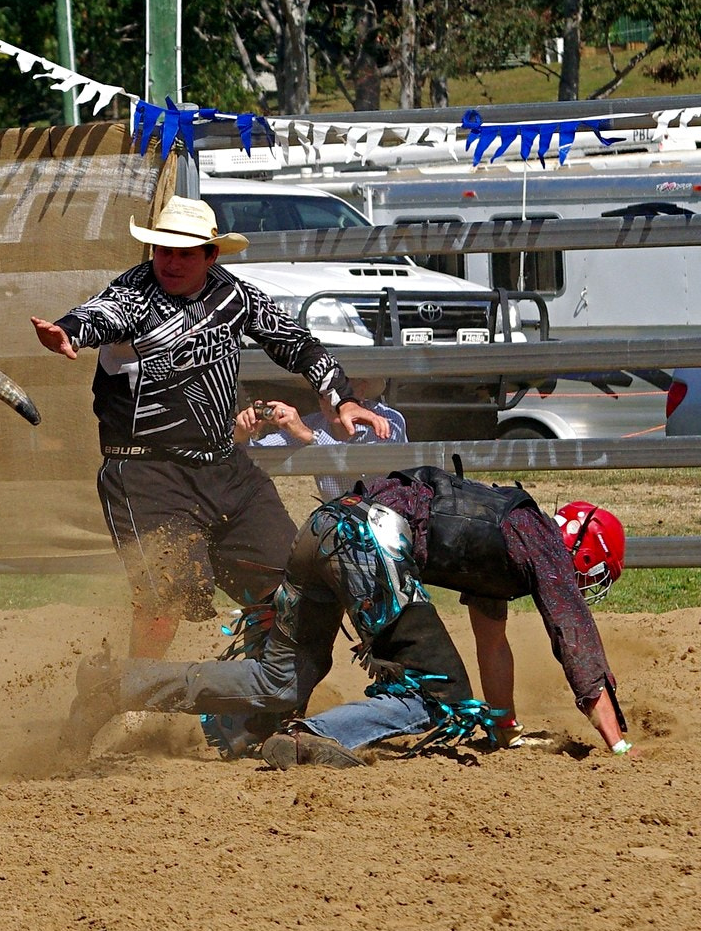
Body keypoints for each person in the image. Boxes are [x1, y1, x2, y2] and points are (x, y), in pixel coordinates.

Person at [60, 465, 630, 767]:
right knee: (437, 694)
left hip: (327, 527)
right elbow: (572, 633)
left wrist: (503, 730)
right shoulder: (539, 539)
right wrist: (618, 742)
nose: (583, 582)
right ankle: (312, 737)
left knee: (280, 680)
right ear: (582, 551)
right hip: (365, 541)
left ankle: (119, 684)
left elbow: (493, 647)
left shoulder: (503, 544)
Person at [32, 197, 392, 658]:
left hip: (226, 470)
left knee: (291, 583)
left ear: (211, 255)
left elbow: (295, 343)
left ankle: (264, 691)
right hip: (145, 475)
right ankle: (134, 703)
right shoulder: (133, 294)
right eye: (164, 251)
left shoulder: (234, 295)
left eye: (186, 253)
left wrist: (342, 397)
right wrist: (69, 331)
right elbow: (100, 315)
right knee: (166, 597)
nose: (172, 262)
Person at [239, 377, 408, 501]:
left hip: (386, 519)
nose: (329, 402)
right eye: (322, 395)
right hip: (338, 522)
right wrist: (244, 433)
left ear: (361, 391)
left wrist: (311, 437)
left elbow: (368, 473)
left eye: (338, 394)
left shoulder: (390, 420)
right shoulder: (312, 423)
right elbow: (257, 456)